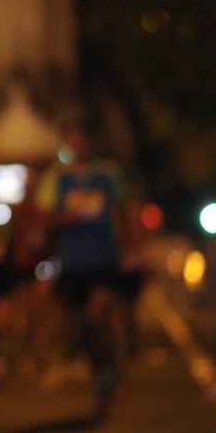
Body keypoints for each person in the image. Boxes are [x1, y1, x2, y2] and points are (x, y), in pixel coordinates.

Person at [34, 116, 134, 417]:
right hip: (73, 262)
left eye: (82, 139)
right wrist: (69, 216)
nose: (78, 145)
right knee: (84, 326)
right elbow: (41, 217)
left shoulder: (109, 174)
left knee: (99, 315)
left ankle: (111, 374)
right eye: (72, 139)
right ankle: (104, 374)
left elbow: (127, 211)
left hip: (104, 258)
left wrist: (133, 247)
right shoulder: (55, 178)